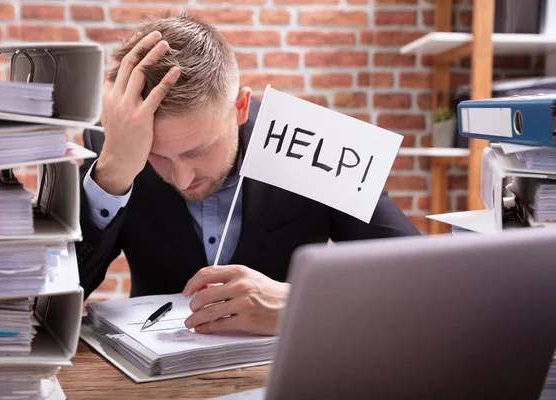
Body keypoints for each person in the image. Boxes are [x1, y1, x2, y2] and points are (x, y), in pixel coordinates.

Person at [76, 12, 420, 337]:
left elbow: (421, 279)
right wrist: (114, 173)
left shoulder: (314, 144)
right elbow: (45, 298)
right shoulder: (117, 149)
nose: (181, 179)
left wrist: (303, 303)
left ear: (239, 107)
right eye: (157, 155)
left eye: (198, 151)